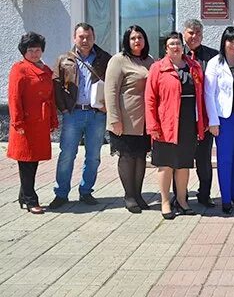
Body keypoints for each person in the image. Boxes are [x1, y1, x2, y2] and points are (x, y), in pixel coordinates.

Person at [145, 32, 207, 219]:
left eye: (178, 43)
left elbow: (201, 96)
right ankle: (165, 202)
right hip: (166, 125)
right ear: (166, 48)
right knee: (165, 165)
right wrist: (153, 125)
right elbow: (150, 99)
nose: (175, 46)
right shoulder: (158, 68)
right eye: (171, 44)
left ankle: (182, 200)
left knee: (183, 165)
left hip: (188, 124)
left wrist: (202, 121)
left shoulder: (193, 66)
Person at [50, 22, 112, 209]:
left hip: (96, 115)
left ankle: (86, 191)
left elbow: (113, 85)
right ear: (74, 38)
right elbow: (56, 85)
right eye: (81, 37)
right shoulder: (64, 59)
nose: (85, 40)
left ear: (94, 38)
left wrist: (106, 108)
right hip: (73, 113)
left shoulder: (104, 58)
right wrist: (65, 110)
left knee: (93, 156)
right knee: (67, 154)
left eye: (88, 37)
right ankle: (61, 193)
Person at [105, 25, 154, 213]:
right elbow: (111, 92)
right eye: (133, 38)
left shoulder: (149, 60)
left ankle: (139, 194)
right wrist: (115, 119)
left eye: (140, 37)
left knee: (141, 156)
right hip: (124, 119)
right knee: (127, 157)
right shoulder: (118, 60)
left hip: (144, 120)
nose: (137, 41)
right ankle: (129, 195)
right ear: (127, 40)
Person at [7, 32, 58, 214]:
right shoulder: (19, 69)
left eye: (38, 50)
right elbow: (14, 97)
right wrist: (17, 122)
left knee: (33, 160)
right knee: (26, 161)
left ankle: (23, 196)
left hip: (41, 122)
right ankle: (30, 199)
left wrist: (52, 118)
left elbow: (50, 97)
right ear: (24, 51)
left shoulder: (44, 69)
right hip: (26, 123)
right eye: (31, 50)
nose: (35, 53)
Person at [205, 26, 234, 214]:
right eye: (230, 40)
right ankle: (225, 200)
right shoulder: (215, 63)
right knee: (225, 160)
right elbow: (208, 93)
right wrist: (212, 121)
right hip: (224, 119)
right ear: (224, 42)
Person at [174, 19, 219, 207]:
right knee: (180, 160)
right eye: (191, 32)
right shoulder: (175, 54)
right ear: (184, 33)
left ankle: (204, 194)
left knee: (204, 160)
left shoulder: (213, 56)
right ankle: (179, 196)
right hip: (182, 117)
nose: (194, 36)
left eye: (198, 33)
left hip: (205, 117)